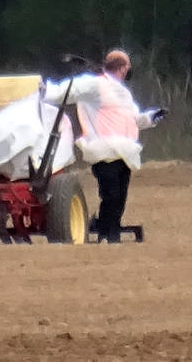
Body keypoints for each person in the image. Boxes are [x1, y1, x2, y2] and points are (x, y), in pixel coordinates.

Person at [42, 49, 167, 243]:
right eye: (127, 66)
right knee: (111, 195)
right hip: (104, 151)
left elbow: (135, 119)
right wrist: (43, 90)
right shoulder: (94, 85)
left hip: (125, 153)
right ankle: (108, 235)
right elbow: (63, 92)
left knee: (119, 198)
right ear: (123, 68)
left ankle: (107, 229)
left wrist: (152, 117)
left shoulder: (124, 94)